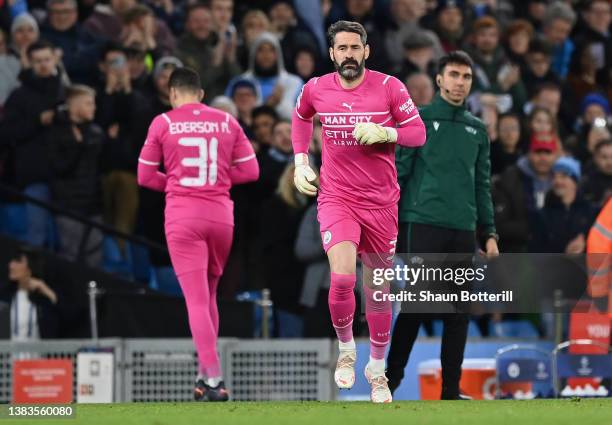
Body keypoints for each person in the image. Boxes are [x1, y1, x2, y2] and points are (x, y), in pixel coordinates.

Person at [291, 20, 426, 403]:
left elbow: (418, 133)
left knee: (379, 290)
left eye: (355, 48)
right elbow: (301, 117)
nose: (348, 55)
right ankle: (347, 350)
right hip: (337, 197)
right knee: (342, 278)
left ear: (366, 51)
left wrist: (388, 133)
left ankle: (377, 369)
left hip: (382, 202)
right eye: (342, 48)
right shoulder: (316, 88)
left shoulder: (389, 87)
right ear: (332, 53)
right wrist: (301, 161)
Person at [137, 67, 259, 401]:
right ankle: (204, 377)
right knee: (208, 296)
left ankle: (216, 378)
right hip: (221, 217)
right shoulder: (226, 121)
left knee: (195, 300)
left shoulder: (163, 122)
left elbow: (145, 177)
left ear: (172, 93)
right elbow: (251, 171)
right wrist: (214, 182)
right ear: (201, 94)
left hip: (183, 216)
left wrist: (179, 183)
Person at [388, 51, 499, 399]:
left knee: (458, 310)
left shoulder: (477, 130)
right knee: (417, 304)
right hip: (422, 224)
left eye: (466, 77)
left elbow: (482, 185)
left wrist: (489, 232)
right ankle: (389, 382)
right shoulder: (417, 122)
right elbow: (398, 176)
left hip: (462, 228)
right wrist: (385, 225)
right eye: (453, 75)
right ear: (439, 79)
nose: (459, 82)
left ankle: (450, 391)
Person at [0, 246, 60, 340]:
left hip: (37, 354)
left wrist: (47, 291)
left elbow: (67, 320)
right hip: (7, 354)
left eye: (18, 261)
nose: (11, 265)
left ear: (30, 268)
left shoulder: (42, 300)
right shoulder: (4, 296)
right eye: (12, 261)